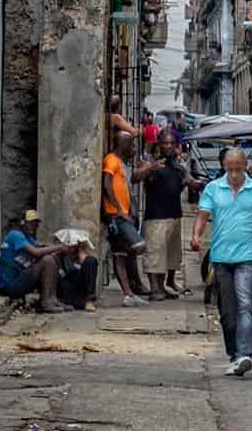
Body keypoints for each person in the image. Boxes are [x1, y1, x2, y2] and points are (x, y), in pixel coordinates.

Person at [191, 148, 252, 378]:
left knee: (244, 304)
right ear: (224, 167)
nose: (233, 175)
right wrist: (196, 235)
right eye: (230, 170)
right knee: (227, 312)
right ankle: (233, 354)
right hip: (221, 258)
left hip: (247, 258)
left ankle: (245, 354)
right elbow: (202, 215)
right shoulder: (213, 188)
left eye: (238, 170)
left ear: (245, 166)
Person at [143, 131, 201, 300]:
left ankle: (162, 286)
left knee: (169, 256)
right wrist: (150, 169)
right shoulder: (150, 163)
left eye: (171, 143)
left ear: (176, 146)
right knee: (155, 254)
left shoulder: (178, 167)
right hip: (156, 217)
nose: (168, 146)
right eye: (164, 143)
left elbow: (189, 183)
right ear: (159, 144)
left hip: (175, 215)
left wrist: (198, 184)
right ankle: (154, 289)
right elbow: (136, 178)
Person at [102, 130, 152, 306]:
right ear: (122, 144)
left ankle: (129, 294)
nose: (133, 148)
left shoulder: (122, 163)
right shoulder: (111, 160)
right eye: (130, 145)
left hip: (122, 214)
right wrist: (119, 209)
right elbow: (106, 184)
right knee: (139, 245)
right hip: (116, 215)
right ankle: (133, 286)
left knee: (120, 254)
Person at [0, 210, 76, 313]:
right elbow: (36, 252)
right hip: (10, 286)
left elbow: (40, 245)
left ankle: (53, 299)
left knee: (52, 257)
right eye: (31, 223)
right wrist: (60, 247)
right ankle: (46, 303)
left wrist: (62, 247)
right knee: (47, 260)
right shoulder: (15, 235)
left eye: (36, 224)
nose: (34, 227)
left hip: (20, 280)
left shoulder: (27, 238)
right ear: (23, 223)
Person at [56, 236, 100, 312]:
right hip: (66, 291)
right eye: (68, 244)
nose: (71, 247)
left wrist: (82, 260)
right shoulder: (60, 256)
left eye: (74, 245)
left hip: (80, 291)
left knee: (91, 261)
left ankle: (89, 300)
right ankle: (70, 302)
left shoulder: (82, 256)